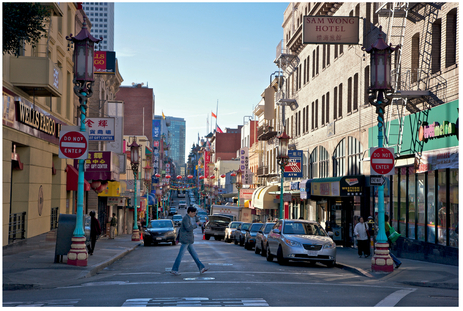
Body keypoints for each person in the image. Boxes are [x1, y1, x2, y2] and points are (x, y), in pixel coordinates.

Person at [171, 206, 208, 276]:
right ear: (190, 212)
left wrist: (177, 239)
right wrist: (196, 225)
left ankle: (201, 268)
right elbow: (188, 228)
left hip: (188, 240)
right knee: (180, 255)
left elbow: (181, 229)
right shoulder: (186, 219)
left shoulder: (187, 218)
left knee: (194, 255)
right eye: (194, 213)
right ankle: (174, 269)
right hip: (186, 240)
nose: (194, 214)